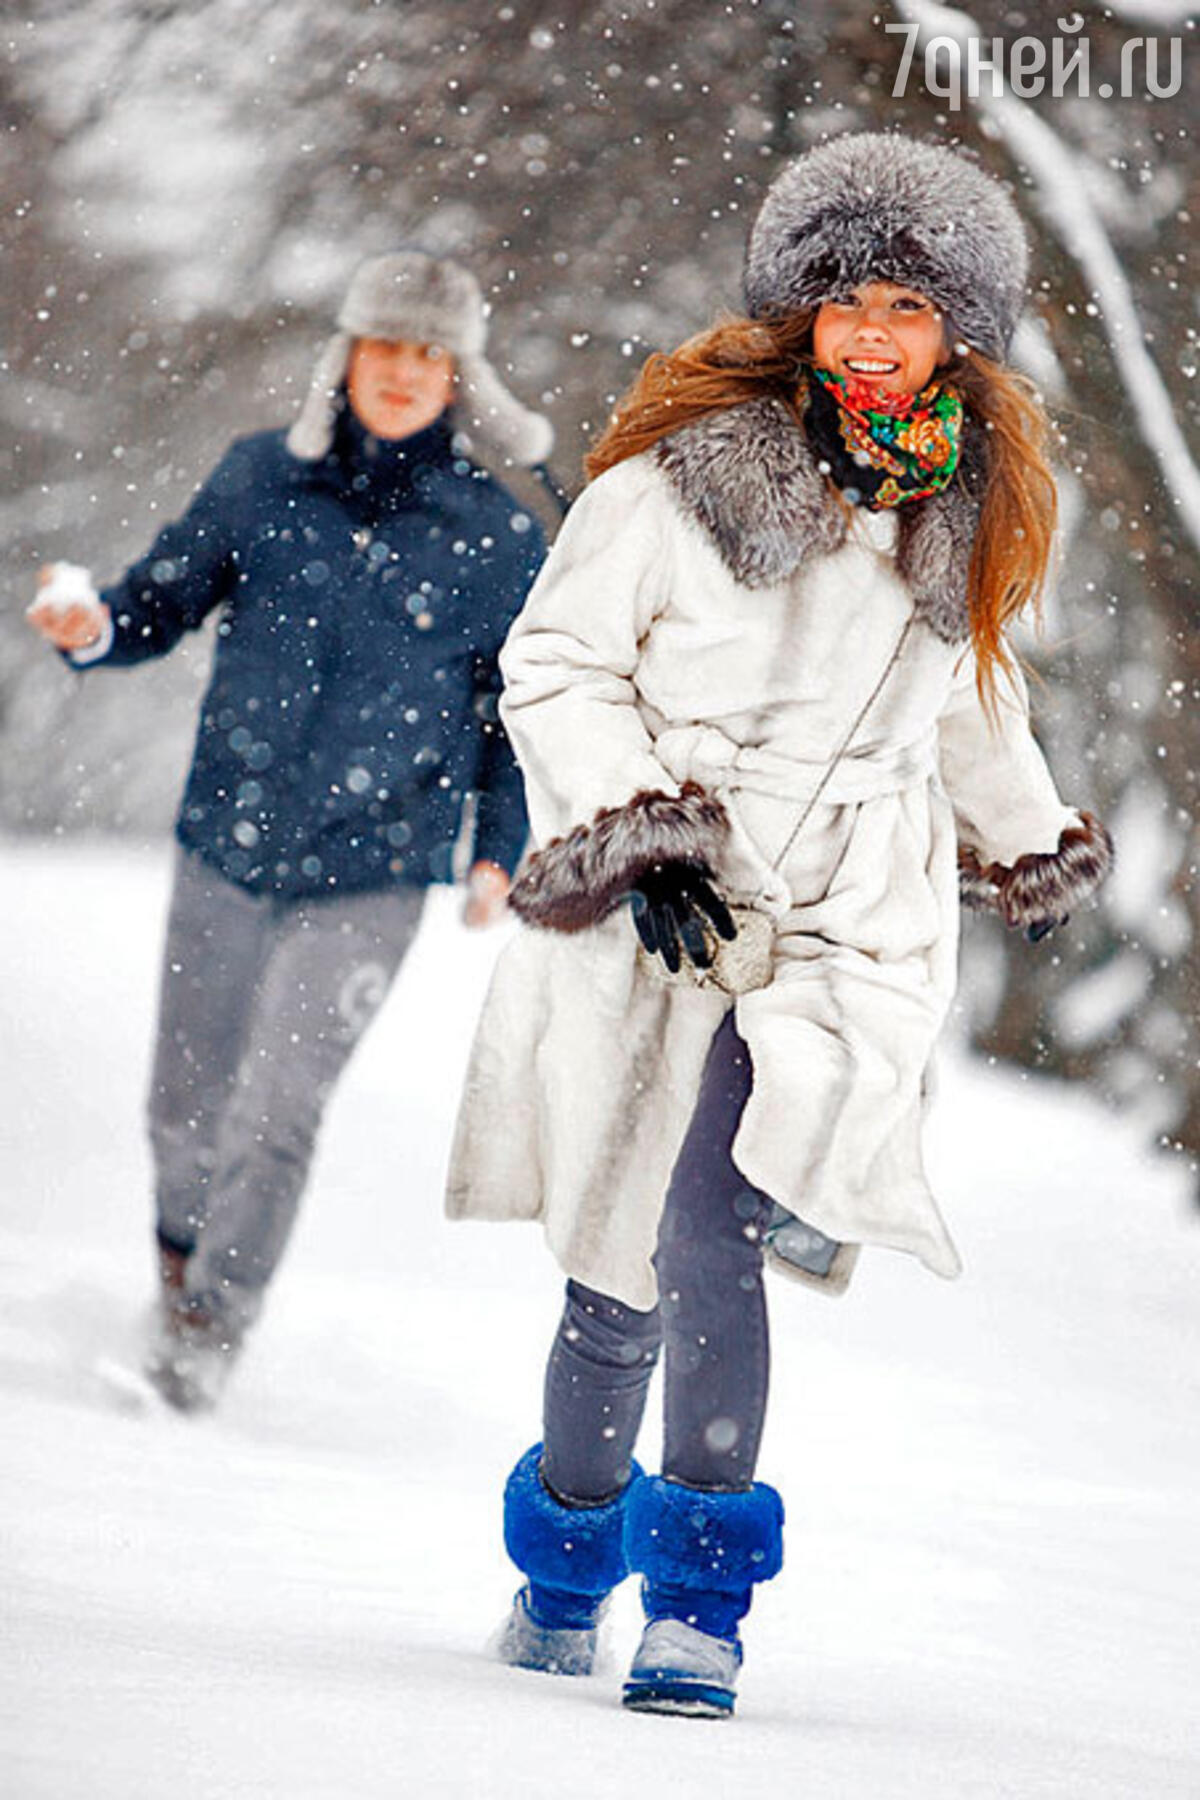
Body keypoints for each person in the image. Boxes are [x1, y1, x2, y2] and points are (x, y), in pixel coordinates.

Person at [445, 134, 1114, 1718]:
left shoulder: (970, 499)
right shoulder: (673, 483)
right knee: (620, 1278)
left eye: (908, 303)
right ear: (799, 315)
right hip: (672, 903)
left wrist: (1031, 847)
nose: (874, 331)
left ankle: (698, 1606)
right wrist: (642, 829)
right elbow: (552, 669)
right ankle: (563, 1562)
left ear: (959, 327)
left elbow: (965, 704)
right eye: (846, 300)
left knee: (711, 1225)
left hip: (846, 920)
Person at [28, 252, 550, 1412]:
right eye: (385, 348)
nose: (404, 373)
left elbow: (511, 711)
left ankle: (207, 1335)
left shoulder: (499, 535)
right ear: (347, 358)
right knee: (185, 1103)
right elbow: (159, 600)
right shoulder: (262, 479)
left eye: (429, 354)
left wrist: (495, 847)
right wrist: (94, 624)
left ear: (458, 374)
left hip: (373, 867)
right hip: (230, 835)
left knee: (278, 1106)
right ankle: (175, 1277)